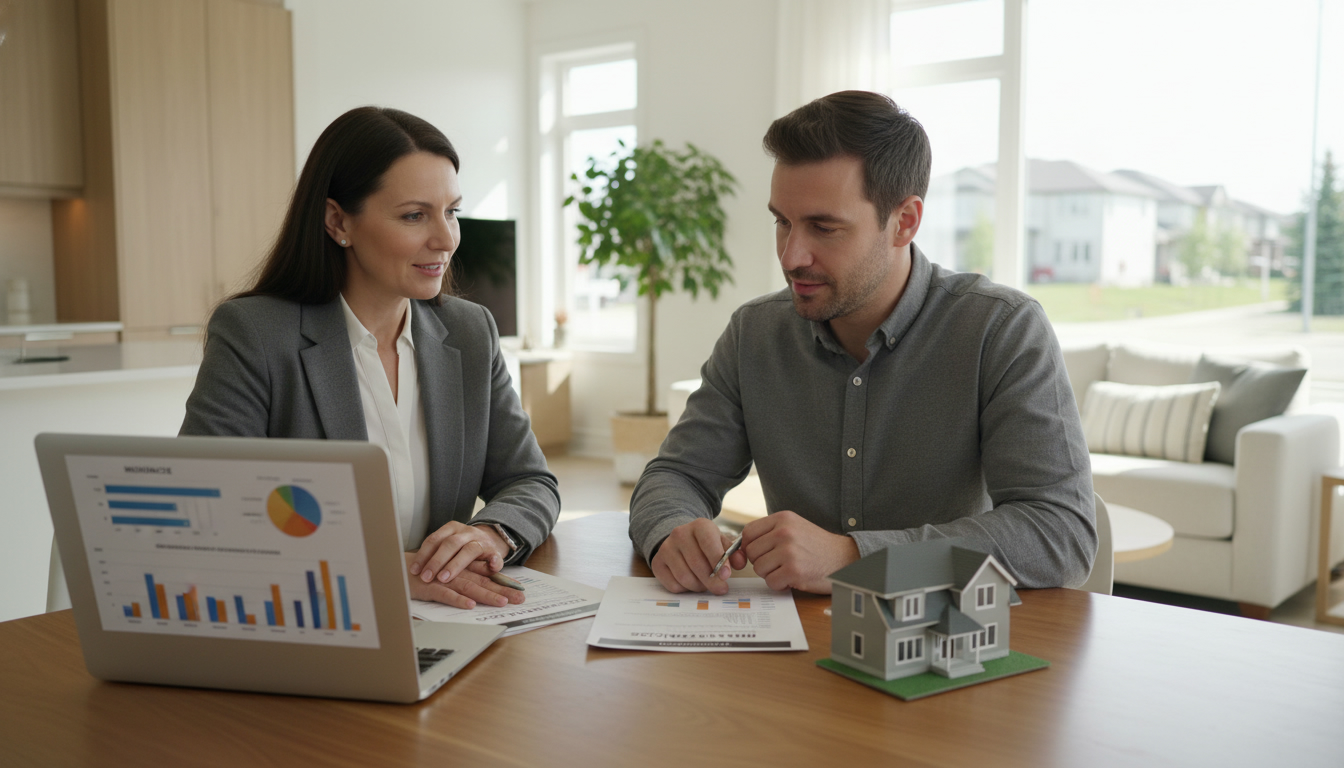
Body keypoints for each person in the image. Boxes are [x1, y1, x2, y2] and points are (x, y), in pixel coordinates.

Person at [629, 91, 1095, 596]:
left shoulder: (1000, 330)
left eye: (824, 227)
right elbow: (675, 477)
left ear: (905, 222)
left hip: (944, 651)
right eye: (782, 222)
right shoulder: (754, 335)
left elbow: (1060, 534)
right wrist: (671, 532)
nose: (790, 255)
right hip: (795, 650)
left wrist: (854, 558)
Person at [181, 107, 559, 610]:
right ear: (338, 220)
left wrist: (493, 533)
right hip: (310, 616)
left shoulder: (470, 331)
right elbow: (208, 510)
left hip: (446, 619)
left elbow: (530, 481)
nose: (446, 240)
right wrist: (380, 572)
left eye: (452, 212)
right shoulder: (256, 335)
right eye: (414, 215)